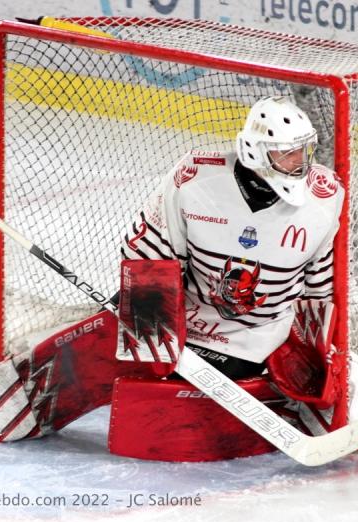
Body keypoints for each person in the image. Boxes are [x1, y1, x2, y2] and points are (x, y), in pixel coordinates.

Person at [121, 95, 344, 383]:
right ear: (256, 151)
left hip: (256, 334)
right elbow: (149, 252)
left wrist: (318, 351)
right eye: (289, 153)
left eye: (305, 150)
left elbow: (323, 289)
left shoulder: (325, 197)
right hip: (183, 312)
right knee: (112, 360)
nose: (302, 161)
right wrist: (151, 330)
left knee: (180, 395)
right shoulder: (195, 176)